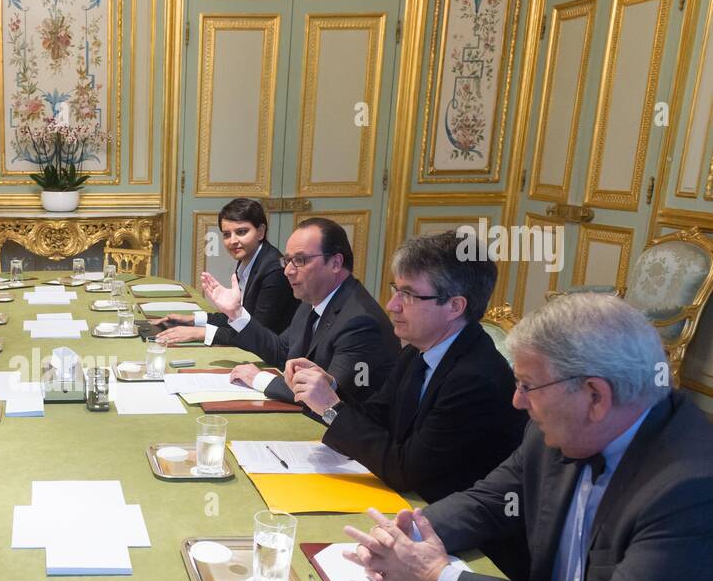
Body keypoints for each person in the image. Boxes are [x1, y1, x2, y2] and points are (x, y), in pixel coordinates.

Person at [343, 293, 713, 581]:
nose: (516, 401)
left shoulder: (691, 483)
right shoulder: (559, 425)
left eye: (527, 385)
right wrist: (403, 535)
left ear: (595, 396)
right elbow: (488, 502)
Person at [288, 231, 526, 502]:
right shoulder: (418, 351)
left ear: (455, 306)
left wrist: (332, 407)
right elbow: (379, 416)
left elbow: (405, 471)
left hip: (449, 520)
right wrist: (330, 389)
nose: (392, 305)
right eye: (396, 290)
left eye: (409, 295)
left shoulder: (476, 378)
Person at [202, 216, 398, 403]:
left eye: (300, 260)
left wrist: (259, 379)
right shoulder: (311, 300)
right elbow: (281, 351)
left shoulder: (360, 322)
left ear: (336, 263)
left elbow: (327, 394)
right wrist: (236, 313)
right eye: (287, 260)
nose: (288, 270)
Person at [153, 198, 297, 346]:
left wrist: (200, 333)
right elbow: (241, 317)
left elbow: (256, 332)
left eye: (241, 232)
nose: (232, 241)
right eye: (227, 234)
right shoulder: (249, 258)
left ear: (261, 232)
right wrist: (193, 319)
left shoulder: (273, 270)